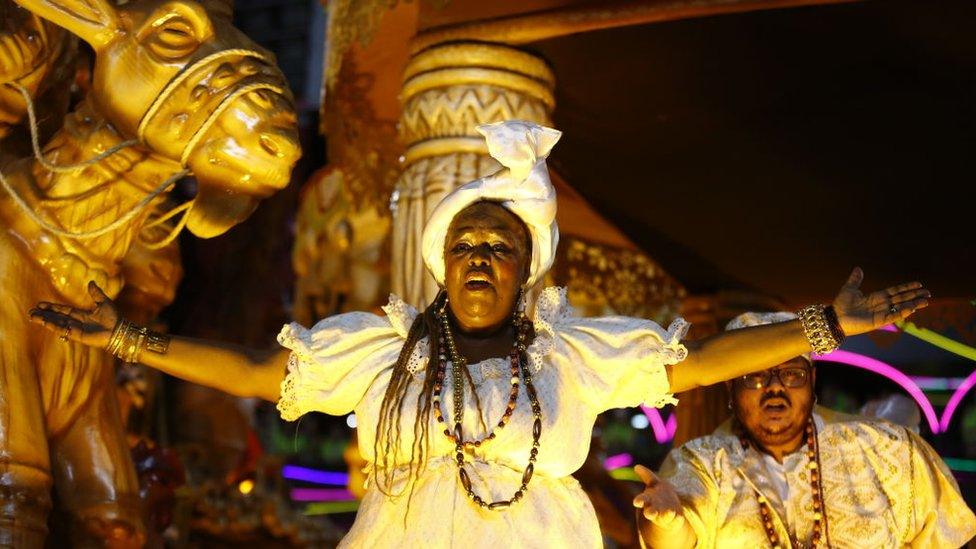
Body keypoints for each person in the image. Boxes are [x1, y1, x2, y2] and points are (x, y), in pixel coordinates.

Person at [30, 121, 932, 547]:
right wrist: (131, 341)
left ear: (524, 268)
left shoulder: (572, 353)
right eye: (465, 242)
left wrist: (820, 326)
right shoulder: (385, 354)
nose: (480, 256)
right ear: (440, 259)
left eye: (500, 246)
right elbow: (260, 372)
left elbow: (701, 359)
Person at [634, 312, 976, 549]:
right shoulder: (703, 463)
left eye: (792, 374)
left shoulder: (887, 448)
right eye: (755, 376)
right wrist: (668, 523)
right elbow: (681, 534)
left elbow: (955, 536)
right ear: (731, 390)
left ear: (812, 382)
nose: (775, 388)